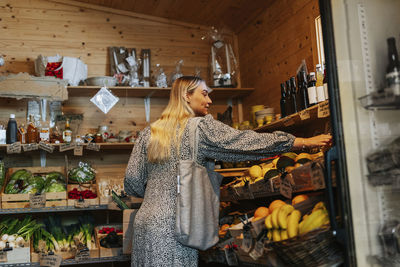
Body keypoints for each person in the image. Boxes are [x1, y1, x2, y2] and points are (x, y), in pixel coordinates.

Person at [124, 76, 331, 267]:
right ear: (186, 96)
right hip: (177, 227)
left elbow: (132, 182)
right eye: (204, 93)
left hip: (145, 225)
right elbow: (244, 143)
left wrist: (158, 192)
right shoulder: (199, 128)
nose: (210, 100)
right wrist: (299, 142)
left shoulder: (148, 133)